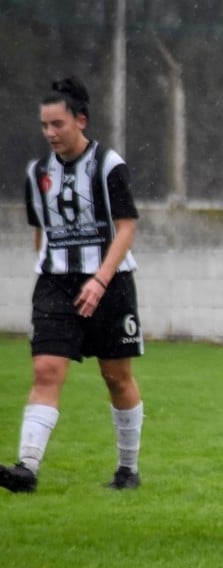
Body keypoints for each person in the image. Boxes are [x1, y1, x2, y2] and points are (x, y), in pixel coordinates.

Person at [0, 76, 145, 493]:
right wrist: (48, 269)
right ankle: (26, 469)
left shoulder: (109, 165)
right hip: (55, 284)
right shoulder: (37, 173)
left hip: (110, 282)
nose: (50, 133)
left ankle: (128, 469)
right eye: (44, 125)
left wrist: (99, 279)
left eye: (58, 124)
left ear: (81, 121)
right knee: (46, 369)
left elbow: (126, 227)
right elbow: (41, 230)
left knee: (116, 376)